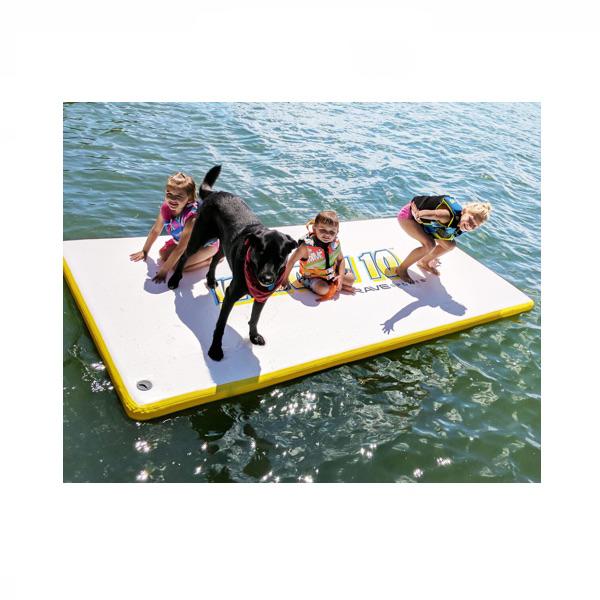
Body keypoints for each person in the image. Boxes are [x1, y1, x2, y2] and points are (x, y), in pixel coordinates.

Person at [129, 172, 219, 283]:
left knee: (176, 267)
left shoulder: (192, 218)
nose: (172, 199)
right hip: (187, 243)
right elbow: (156, 230)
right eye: (169, 194)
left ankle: (210, 260)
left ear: (190, 198)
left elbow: (181, 248)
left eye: (179, 196)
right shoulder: (166, 207)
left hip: (206, 246)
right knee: (162, 254)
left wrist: (164, 271)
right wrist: (145, 251)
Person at [395, 195, 491, 283]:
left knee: (450, 245)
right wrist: (419, 214)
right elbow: (435, 214)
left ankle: (423, 262)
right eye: (470, 219)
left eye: (474, 226)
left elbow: (444, 230)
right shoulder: (447, 216)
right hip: (410, 217)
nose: (470, 225)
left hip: (427, 225)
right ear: (464, 211)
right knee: (430, 245)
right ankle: (401, 269)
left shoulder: (463, 224)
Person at [281, 210, 355, 301]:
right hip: (312, 277)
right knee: (323, 289)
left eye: (332, 232)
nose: (327, 235)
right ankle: (307, 282)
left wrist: (341, 276)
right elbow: (291, 261)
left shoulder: (335, 243)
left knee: (351, 279)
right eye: (323, 230)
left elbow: (341, 260)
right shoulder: (306, 247)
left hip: (330, 273)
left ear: (337, 232)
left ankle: (335, 284)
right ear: (314, 228)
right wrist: (284, 280)